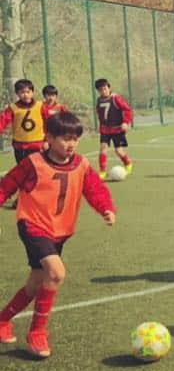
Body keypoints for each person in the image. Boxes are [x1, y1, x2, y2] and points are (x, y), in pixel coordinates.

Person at [0, 112, 115, 358]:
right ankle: (37, 333)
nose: (71, 143)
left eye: (75, 138)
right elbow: (8, 184)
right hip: (33, 225)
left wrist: (106, 208)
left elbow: (95, 189)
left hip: (59, 231)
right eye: (65, 138)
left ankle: (2, 320)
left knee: (36, 283)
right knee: (56, 273)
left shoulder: (82, 164)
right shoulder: (33, 162)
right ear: (49, 138)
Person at [94, 78, 134, 179]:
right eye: (100, 90)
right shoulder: (99, 100)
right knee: (103, 149)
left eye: (105, 89)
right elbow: (100, 114)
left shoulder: (115, 98)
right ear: (98, 91)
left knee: (118, 151)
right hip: (105, 130)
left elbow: (127, 109)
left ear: (109, 87)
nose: (103, 91)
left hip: (117, 129)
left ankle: (128, 163)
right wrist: (101, 125)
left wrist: (125, 122)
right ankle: (102, 172)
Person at [0, 79, 47, 165]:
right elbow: (2, 121)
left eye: (28, 92)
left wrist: (48, 140)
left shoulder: (40, 106)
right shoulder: (13, 108)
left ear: (32, 92)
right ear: (17, 94)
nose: (25, 95)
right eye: (22, 92)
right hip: (20, 146)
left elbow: (50, 122)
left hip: (38, 144)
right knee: (23, 170)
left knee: (39, 168)